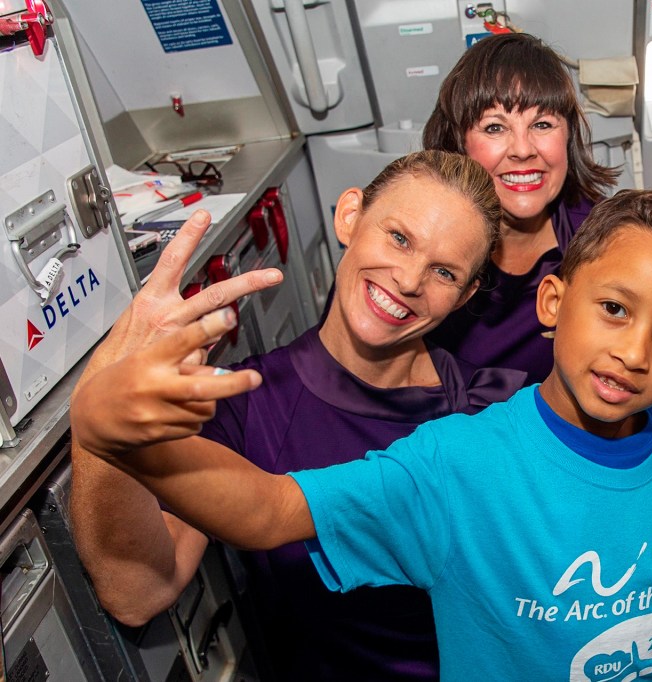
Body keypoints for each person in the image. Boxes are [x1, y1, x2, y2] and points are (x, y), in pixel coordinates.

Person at [71, 189, 652, 681]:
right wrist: (111, 431)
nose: (630, 350)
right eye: (613, 309)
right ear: (553, 303)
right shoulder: (458, 464)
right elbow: (262, 512)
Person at [69, 151, 527, 680]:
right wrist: (100, 407)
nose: (407, 279)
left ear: (466, 294)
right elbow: (137, 593)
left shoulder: (494, 411)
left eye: (444, 271)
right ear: (350, 215)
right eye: (399, 238)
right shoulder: (246, 405)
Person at [423, 31, 618, 384]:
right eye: (495, 127)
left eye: (542, 124)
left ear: (568, 136)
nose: (523, 149)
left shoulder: (607, 241)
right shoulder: (419, 242)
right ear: (459, 143)